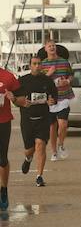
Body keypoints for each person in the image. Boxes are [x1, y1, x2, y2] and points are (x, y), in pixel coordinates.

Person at [13, 55, 58, 187]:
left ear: (42, 66)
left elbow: (54, 96)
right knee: (29, 149)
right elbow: (15, 99)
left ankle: (39, 176)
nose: (37, 66)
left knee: (40, 145)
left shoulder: (47, 81)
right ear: (30, 65)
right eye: (34, 64)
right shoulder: (22, 81)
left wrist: (52, 100)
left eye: (39, 64)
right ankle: (28, 159)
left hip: (43, 118)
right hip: (27, 120)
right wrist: (21, 102)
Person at [40, 39, 74, 161]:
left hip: (64, 96)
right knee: (52, 127)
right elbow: (40, 82)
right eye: (49, 46)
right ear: (45, 48)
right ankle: (54, 152)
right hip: (50, 99)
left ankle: (61, 145)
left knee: (63, 125)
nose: (52, 47)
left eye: (53, 45)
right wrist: (49, 74)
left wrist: (68, 81)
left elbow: (71, 75)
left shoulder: (64, 62)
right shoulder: (42, 64)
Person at [0, 66, 21, 210]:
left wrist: (13, 97)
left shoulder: (8, 76)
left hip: (3, 121)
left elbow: (20, 100)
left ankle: (4, 189)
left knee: (2, 159)